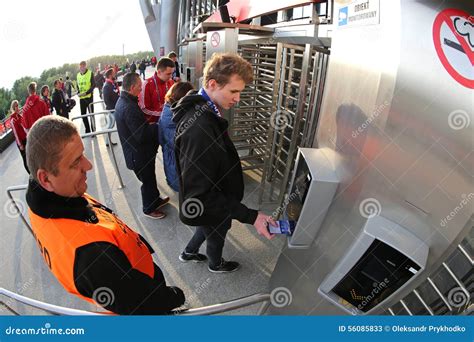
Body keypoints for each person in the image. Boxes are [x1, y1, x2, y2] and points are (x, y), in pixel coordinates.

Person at [25, 115, 185, 314]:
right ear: (45, 179)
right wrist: (175, 297)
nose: (88, 166)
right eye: (75, 163)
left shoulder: (50, 199)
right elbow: (139, 302)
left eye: (82, 155)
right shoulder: (92, 258)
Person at [173, 53, 275, 273]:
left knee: (206, 227)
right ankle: (215, 264)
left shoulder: (205, 111)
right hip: (215, 204)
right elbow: (199, 196)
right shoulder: (200, 128)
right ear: (212, 84)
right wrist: (252, 216)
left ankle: (189, 252)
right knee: (215, 233)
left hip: (215, 204)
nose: (238, 98)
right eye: (234, 91)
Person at [115, 73, 170, 219]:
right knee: (147, 181)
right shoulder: (129, 107)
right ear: (132, 87)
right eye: (139, 86)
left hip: (138, 153)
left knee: (150, 178)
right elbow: (142, 134)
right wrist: (157, 126)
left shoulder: (125, 101)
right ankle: (149, 208)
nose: (141, 89)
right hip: (138, 155)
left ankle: (155, 199)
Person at [158, 82, 193, 192]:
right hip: (178, 169)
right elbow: (183, 145)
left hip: (172, 163)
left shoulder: (168, 109)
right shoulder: (173, 118)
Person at [139, 57, 175, 124]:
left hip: (170, 122)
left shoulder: (171, 82)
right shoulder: (147, 84)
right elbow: (144, 109)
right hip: (154, 125)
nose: (171, 76)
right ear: (159, 72)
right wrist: (164, 115)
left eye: (172, 73)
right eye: (168, 74)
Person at [9, 100, 29, 173]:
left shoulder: (19, 116)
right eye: (16, 106)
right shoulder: (12, 119)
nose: (17, 107)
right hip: (21, 142)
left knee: (29, 156)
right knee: (25, 159)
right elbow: (16, 134)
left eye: (18, 106)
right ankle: (30, 174)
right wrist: (20, 144)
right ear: (13, 108)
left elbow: (24, 127)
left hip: (26, 138)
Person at [77, 61, 96, 134]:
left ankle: (93, 129)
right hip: (81, 98)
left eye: (83, 66)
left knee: (91, 114)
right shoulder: (78, 75)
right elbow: (78, 86)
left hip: (89, 97)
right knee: (83, 115)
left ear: (85, 66)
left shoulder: (90, 73)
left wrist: (87, 92)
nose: (81, 68)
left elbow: (94, 85)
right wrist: (78, 92)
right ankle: (87, 129)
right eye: (80, 66)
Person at [101, 68, 119, 146]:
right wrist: (113, 108)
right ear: (110, 75)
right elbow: (106, 100)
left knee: (111, 126)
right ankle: (107, 142)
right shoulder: (107, 85)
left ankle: (108, 142)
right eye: (113, 73)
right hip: (112, 109)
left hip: (115, 108)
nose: (115, 74)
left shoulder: (111, 83)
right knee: (110, 126)